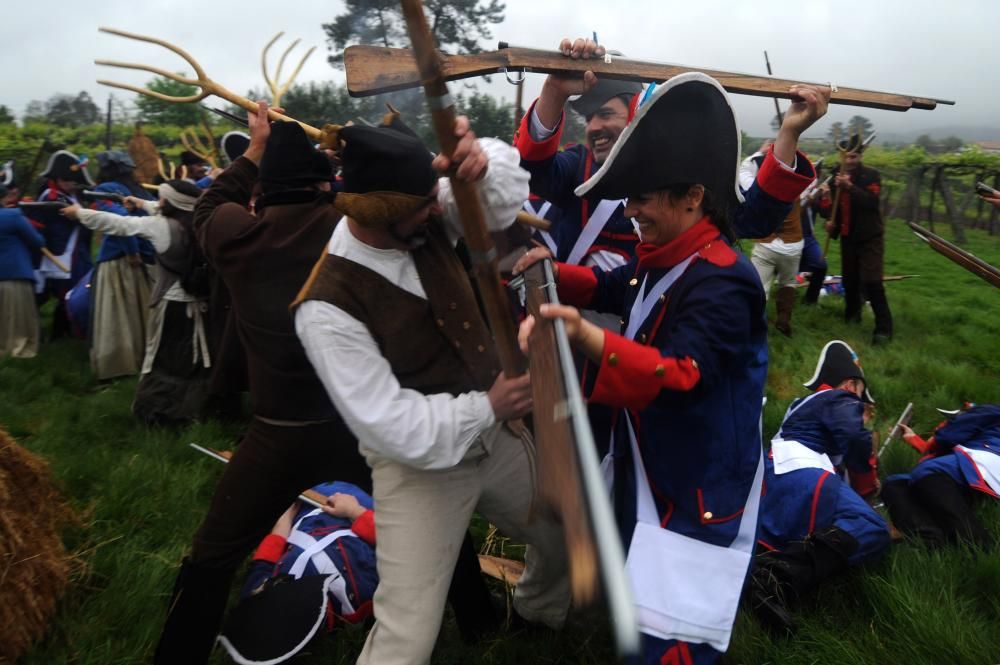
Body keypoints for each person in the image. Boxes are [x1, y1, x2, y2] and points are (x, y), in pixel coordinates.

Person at [153, 104, 494, 664]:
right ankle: (480, 623)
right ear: (324, 185)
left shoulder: (239, 236)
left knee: (213, 555)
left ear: (264, 191)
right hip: (360, 424)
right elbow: (388, 198)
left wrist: (255, 151)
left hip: (277, 433)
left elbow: (211, 204)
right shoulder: (350, 228)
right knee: (432, 518)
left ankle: (176, 655)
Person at [514, 73, 822, 665]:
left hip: (693, 490)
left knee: (671, 641)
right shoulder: (665, 256)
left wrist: (583, 336)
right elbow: (615, 283)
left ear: (693, 197)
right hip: (654, 469)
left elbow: (681, 375)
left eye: (643, 198)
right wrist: (549, 279)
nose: (631, 213)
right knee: (639, 604)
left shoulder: (725, 279)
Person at [292, 112, 571, 665]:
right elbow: (386, 421)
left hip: (498, 438)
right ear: (384, 215)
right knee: (407, 632)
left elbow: (489, 203)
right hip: (416, 468)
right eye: (424, 206)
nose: (436, 207)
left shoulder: (416, 209)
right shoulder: (326, 307)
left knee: (564, 535)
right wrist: (485, 405)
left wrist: (479, 165)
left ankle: (537, 616)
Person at [514, 37, 824, 275]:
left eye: (605, 114)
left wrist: (789, 134)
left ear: (635, 113)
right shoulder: (578, 167)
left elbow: (755, 219)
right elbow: (532, 172)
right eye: (589, 118)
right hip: (579, 338)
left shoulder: (681, 177)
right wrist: (555, 91)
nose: (594, 127)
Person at [748, 340, 889, 633]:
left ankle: (766, 569)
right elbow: (855, 440)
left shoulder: (802, 405)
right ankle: (775, 578)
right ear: (852, 385)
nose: (862, 408)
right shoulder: (843, 398)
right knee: (871, 527)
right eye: (862, 397)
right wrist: (867, 481)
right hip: (804, 473)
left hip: (773, 476)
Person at [60, 179, 212, 423]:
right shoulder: (201, 220)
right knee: (194, 363)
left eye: (162, 198)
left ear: (169, 202)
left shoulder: (162, 226)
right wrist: (140, 202)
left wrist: (79, 213)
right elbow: (165, 209)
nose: (158, 202)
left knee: (165, 361)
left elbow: (118, 224)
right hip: (202, 307)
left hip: (172, 306)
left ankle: (160, 412)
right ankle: (198, 410)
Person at [218, 482, 378, 665]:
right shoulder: (360, 601)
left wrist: (284, 517)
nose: (266, 586)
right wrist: (354, 511)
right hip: (372, 510)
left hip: (315, 500)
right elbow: (398, 546)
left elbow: (265, 560)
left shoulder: (255, 599)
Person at [79, 150, 155, 380]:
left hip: (121, 259)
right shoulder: (138, 189)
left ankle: (119, 364)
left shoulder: (107, 188)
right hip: (146, 255)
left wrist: (132, 252)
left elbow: (120, 222)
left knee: (118, 315)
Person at [881, 403, 998, 549]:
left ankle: (979, 546)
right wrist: (914, 439)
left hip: (985, 465)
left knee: (929, 471)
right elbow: (944, 446)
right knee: (895, 483)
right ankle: (930, 540)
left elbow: (948, 436)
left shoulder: (990, 410)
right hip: (976, 466)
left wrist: (945, 429)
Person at [817, 132, 892, 344]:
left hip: (870, 237)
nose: (850, 161)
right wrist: (826, 205)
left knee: (872, 281)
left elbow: (871, 202)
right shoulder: (835, 177)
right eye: (846, 157)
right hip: (848, 237)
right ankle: (852, 317)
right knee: (850, 280)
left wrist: (850, 187)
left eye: (854, 157)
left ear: (860, 157)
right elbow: (830, 212)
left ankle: (884, 329)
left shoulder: (871, 176)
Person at [740, 141, 804, 336]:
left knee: (759, 286)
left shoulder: (764, 186)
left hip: (767, 244)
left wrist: (760, 153)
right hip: (793, 244)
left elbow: (744, 172)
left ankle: (755, 324)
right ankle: (784, 319)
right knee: (788, 283)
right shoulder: (799, 183)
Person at [33, 150, 94, 339]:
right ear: (57, 179)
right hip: (61, 253)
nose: (70, 183)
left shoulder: (72, 195)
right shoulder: (51, 196)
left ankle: (68, 330)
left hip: (76, 252)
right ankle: (59, 333)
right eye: (66, 179)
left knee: (76, 289)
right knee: (64, 293)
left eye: (72, 180)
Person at [0, 183, 44, 358]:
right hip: (14, 273)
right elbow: (37, 241)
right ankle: (18, 351)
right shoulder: (13, 215)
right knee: (18, 319)